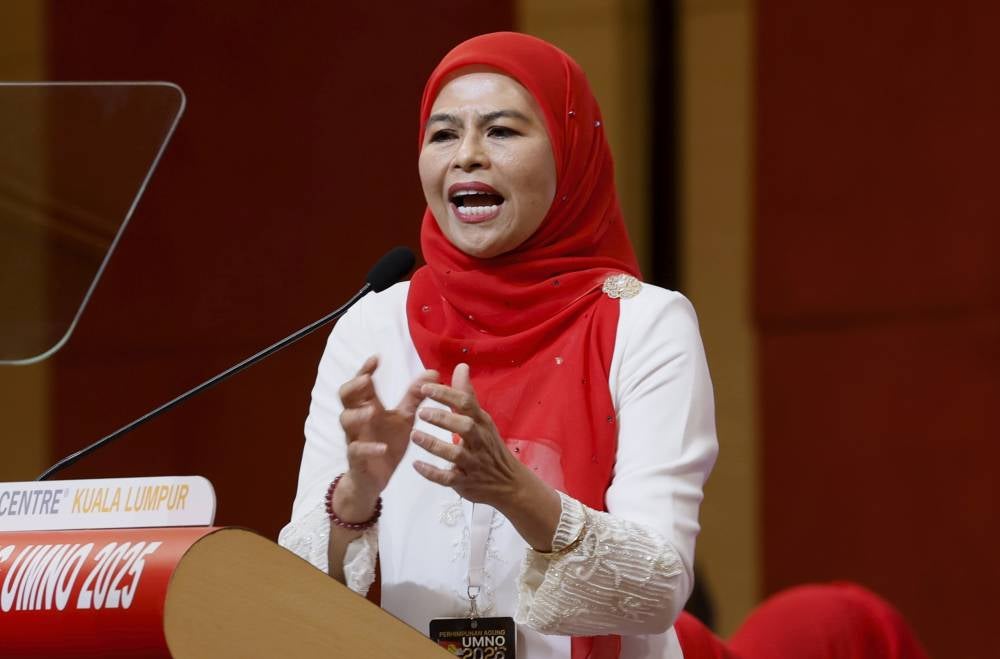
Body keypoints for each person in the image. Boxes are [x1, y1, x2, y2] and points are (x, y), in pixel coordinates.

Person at [279, 32, 929, 659]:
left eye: (501, 130)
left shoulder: (647, 325)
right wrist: (356, 496)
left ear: (570, 152)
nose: (467, 154)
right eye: (443, 132)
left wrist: (513, 490)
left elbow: (657, 584)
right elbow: (295, 594)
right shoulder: (371, 326)